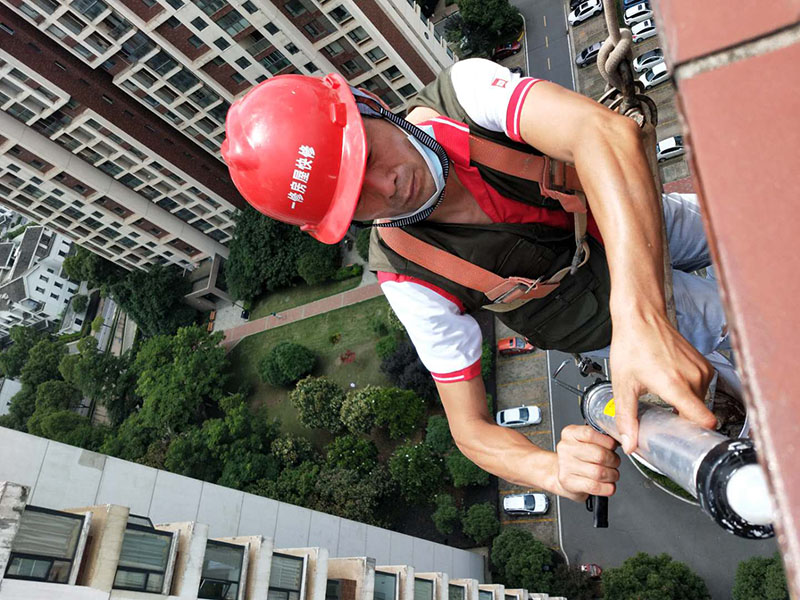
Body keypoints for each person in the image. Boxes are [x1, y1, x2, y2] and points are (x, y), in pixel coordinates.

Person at [222, 58, 726, 502]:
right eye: (358, 200)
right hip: (592, 320)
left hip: (630, 215)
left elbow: (602, 133)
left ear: (369, 105)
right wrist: (552, 470)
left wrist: (640, 316)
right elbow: (469, 431)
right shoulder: (409, 279)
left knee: (747, 227)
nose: (389, 187)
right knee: (750, 326)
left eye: (369, 157)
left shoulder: (461, 98)